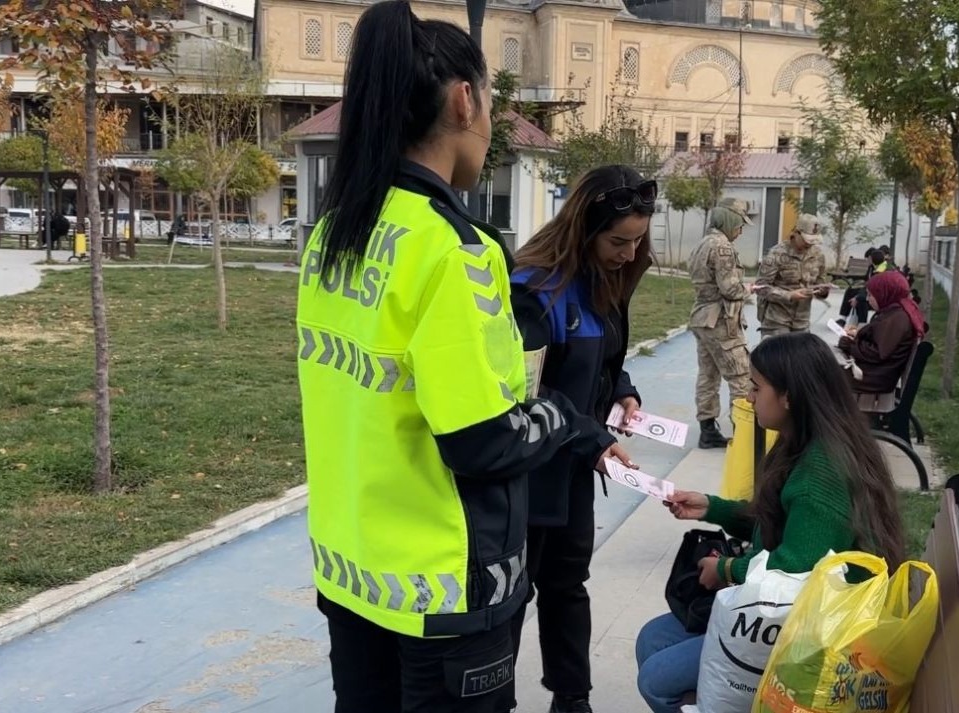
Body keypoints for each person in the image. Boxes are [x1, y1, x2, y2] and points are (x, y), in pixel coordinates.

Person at [295, 4, 575, 711]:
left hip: (352, 574)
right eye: (490, 102)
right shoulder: (454, 248)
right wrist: (565, 416)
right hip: (445, 592)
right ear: (463, 99)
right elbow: (481, 441)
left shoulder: (334, 235)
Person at [634, 332, 907, 713]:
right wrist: (711, 508)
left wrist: (728, 569)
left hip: (817, 637)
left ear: (789, 397)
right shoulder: (803, 440)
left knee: (656, 680)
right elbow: (777, 519)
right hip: (787, 618)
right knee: (652, 639)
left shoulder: (822, 472)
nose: (749, 397)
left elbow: (798, 569)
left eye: (757, 387)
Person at [505, 165, 656, 713]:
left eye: (638, 241)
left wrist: (624, 390)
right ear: (584, 229)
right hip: (531, 471)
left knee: (568, 585)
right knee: (513, 597)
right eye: (618, 240)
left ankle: (572, 698)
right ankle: (496, 699)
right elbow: (529, 389)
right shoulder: (534, 292)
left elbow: (603, 361)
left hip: (576, 472)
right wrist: (592, 438)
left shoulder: (603, 283)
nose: (628, 253)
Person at [689, 206, 751, 449]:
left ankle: (707, 430)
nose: (741, 231)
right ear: (729, 222)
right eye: (739, 224)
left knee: (708, 375)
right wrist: (750, 290)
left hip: (702, 317)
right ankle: (745, 433)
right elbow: (730, 288)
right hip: (721, 321)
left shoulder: (702, 244)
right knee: (741, 376)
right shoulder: (723, 247)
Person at [839, 270, 927, 394]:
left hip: (872, 379)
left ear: (885, 293)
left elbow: (877, 353)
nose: (868, 299)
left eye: (870, 295)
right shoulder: (896, 311)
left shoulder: (897, 318)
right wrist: (857, 336)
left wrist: (848, 344)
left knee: (816, 374)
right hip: (876, 373)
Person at [754, 213, 828, 338]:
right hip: (776, 321)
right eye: (807, 240)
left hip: (802, 322)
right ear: (796, 233)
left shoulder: (818, 255)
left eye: (813, 241)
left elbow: (820, 282)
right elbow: (760, 287)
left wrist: (822, 290)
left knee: (800, 357)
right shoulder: (776, 254)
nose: (809, 244)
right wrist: (789, 295)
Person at [836, 248, 889, 328]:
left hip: (878, 298)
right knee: (850, 290)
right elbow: (866, 279)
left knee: (861, 300)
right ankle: (843, 319)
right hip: (870, 292)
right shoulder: (872, 267)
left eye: (867, 259)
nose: (866, 261)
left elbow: (871, 288)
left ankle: (862, 324)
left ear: (871, 258)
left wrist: (857, 297)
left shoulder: (881, 271)